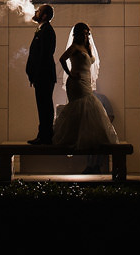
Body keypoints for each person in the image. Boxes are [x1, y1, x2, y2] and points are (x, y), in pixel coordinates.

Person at [50, 22, 118, 172]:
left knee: (89, 106)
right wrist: (69, 74)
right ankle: (74, 138)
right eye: (83, 33)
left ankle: (87, 140)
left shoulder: (88, 48)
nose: (86, 36)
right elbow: (62, 59)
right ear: (77, 34)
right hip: (76, 82)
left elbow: (92, 62)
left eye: (87, 33)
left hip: (86, 81)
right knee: (83, 105)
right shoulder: (74, 47)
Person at [25, 5, 57, 144]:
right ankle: (43, 135)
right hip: (41, 75)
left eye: (38, 11)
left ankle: (45, 136)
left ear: (44, 16)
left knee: (45, 106)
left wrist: (36, 74)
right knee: (43, 105)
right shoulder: (42, 30)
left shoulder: (47, 31)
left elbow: (44, 55)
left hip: (44, 75)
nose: (35, 12)